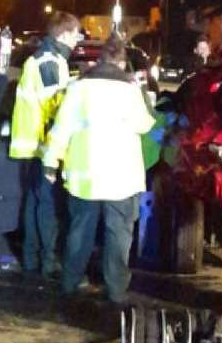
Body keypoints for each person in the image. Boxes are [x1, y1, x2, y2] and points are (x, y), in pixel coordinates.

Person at [43, 34, 155, 303]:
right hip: (121, 178)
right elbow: (144, 125)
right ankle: (115, 289)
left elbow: (62, 128)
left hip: (85, 177)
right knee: (118, 235)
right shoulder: (129, 90)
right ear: (121, 62)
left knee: (79, 232)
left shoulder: (79, 88)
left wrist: (51, 162)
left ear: (100, 59)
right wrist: (142, 92)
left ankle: (71, 282)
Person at [9, 11, 81, 281]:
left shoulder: (44, 58)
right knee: (46, 206)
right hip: (42, 144)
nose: (78, 38)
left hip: (32, 143)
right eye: (76, 33)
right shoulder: (51, 60)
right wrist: (75, 90)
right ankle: (46, 261)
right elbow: (55, 105)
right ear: (62, 34)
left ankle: (31, 258)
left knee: (34, 203)